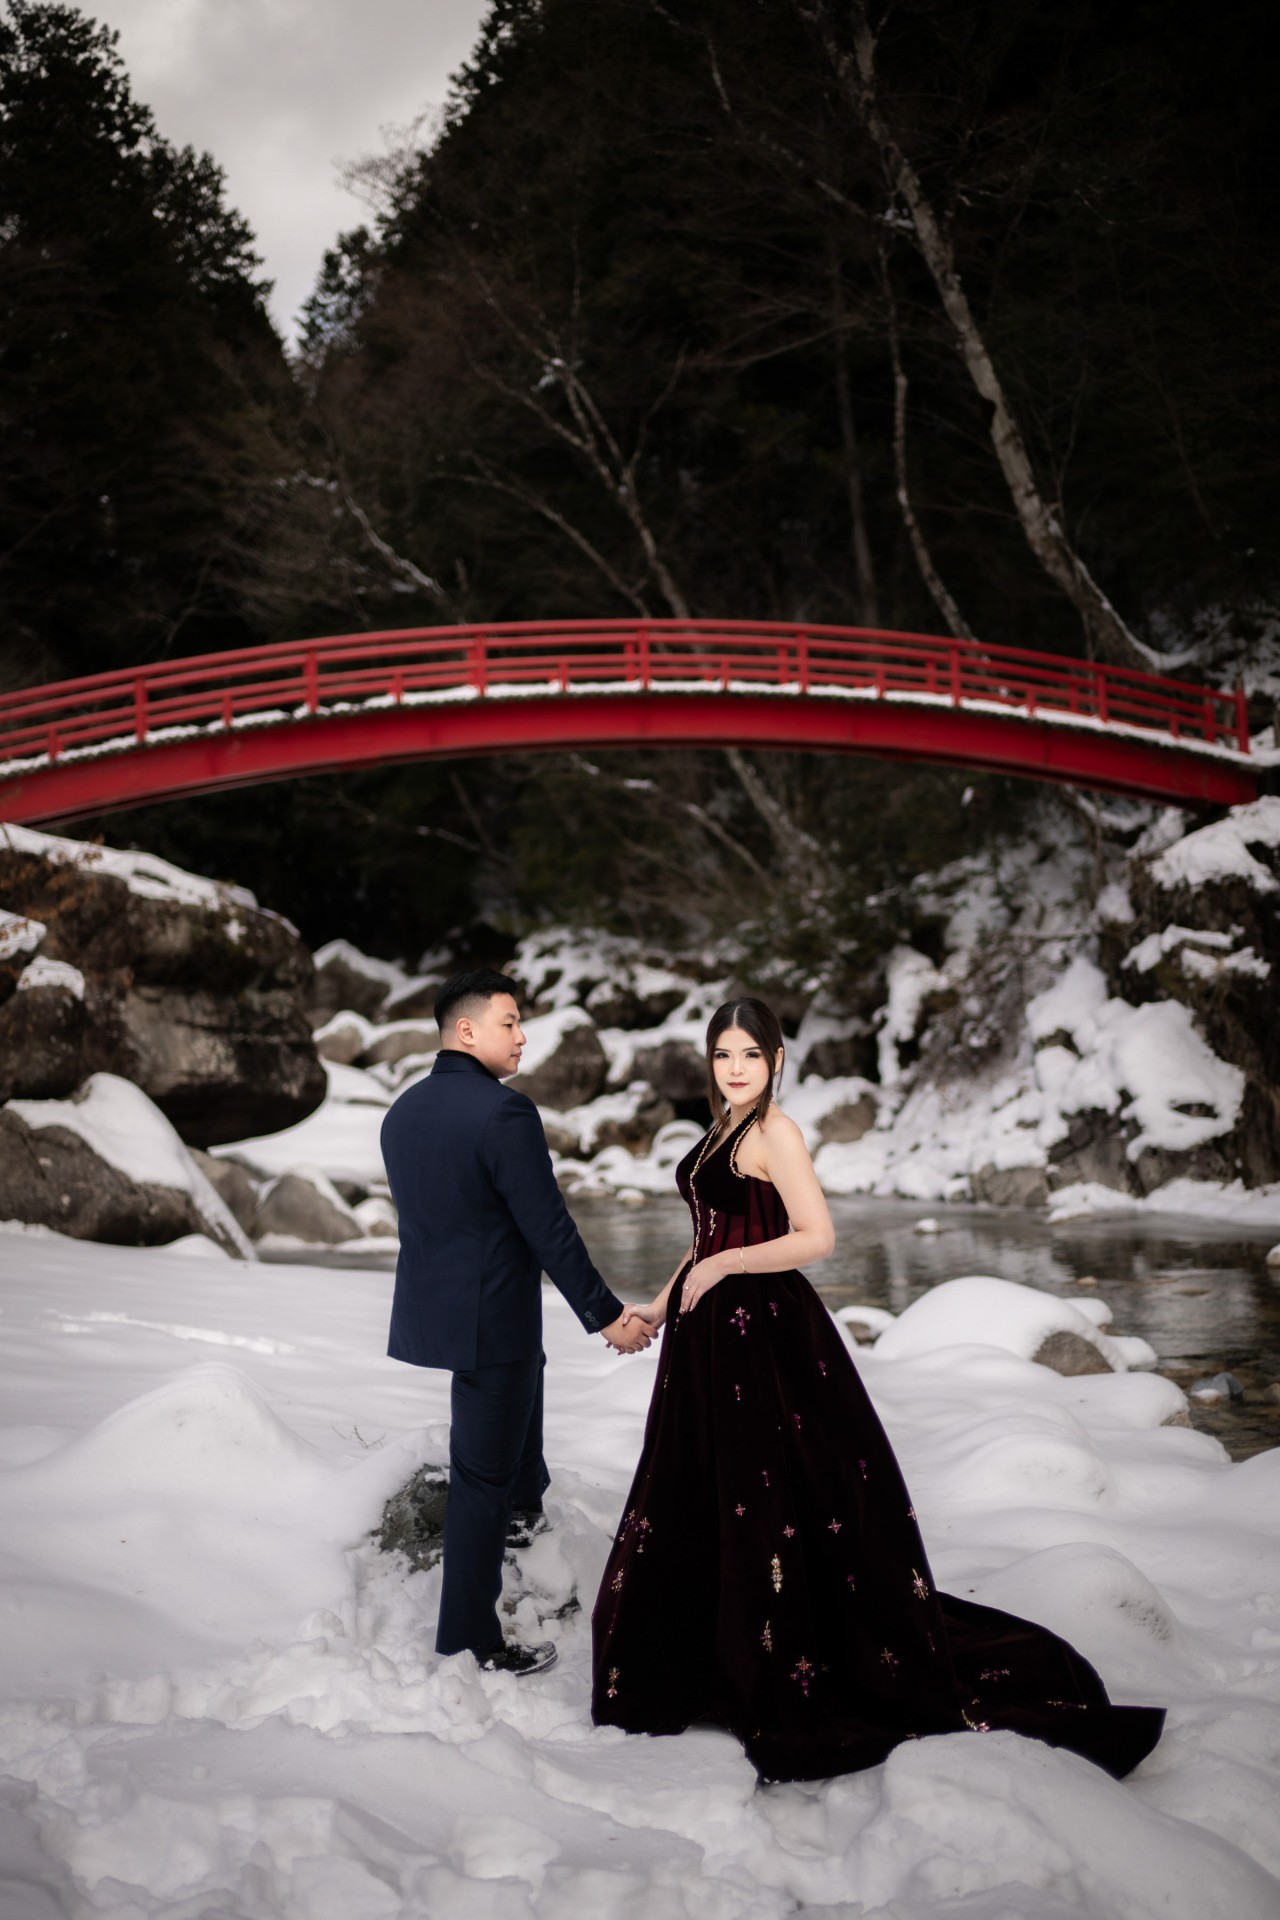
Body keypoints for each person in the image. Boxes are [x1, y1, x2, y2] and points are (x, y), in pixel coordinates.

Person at [591, 996, 1165, 1782]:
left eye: (751, 1055)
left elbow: (816, 1237)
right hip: (708, 1342)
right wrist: (660, 1306)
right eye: (723, 1055)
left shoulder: (776, 1133)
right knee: (705, 1491)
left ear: (777, 1060)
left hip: (764, 1336)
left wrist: (726, 1266)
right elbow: (705, 1239)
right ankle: (707, 1653)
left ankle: (783, 1653)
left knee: (769, 1497)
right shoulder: (722, 1129)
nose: (736, 1068)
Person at [382, 968, 651, 1677]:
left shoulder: (402, 1111)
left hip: (437, 1312)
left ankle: (525, 1504)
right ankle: (469, 1640)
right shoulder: (504, 1112)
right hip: (491, 1317)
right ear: (467, 1029)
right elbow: (547, 1228)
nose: (523, 1036)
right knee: (478, 1480)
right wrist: (607, 1315)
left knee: (528, 1375)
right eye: (510, 1022)